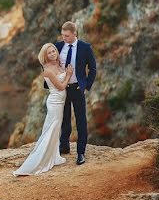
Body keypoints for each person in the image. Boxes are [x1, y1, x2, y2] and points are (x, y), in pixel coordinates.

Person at [13, 43, 73, 176]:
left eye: (53, 51)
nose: (52, 54)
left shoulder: (57, 65)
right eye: (49, 53)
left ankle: (53, 156)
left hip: (60, 102)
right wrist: (68, 74)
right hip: (55, 102)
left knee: (55, 129)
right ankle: (40, 160)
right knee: (52, 128)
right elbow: (61, 87)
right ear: (45, 56)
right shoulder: (47, 70)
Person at [50, 21, 97, 165]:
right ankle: (64, 146)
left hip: (77, 88)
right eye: (62, 35)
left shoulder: (85, 48)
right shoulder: (57, 47)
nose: (64, 38)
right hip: (62, 88)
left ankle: (81, 153)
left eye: (67, 36)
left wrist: (85, 86)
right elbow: (46, 61)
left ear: (74, 34)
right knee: (64, 118)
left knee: (81, 120)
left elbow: (93, 69)